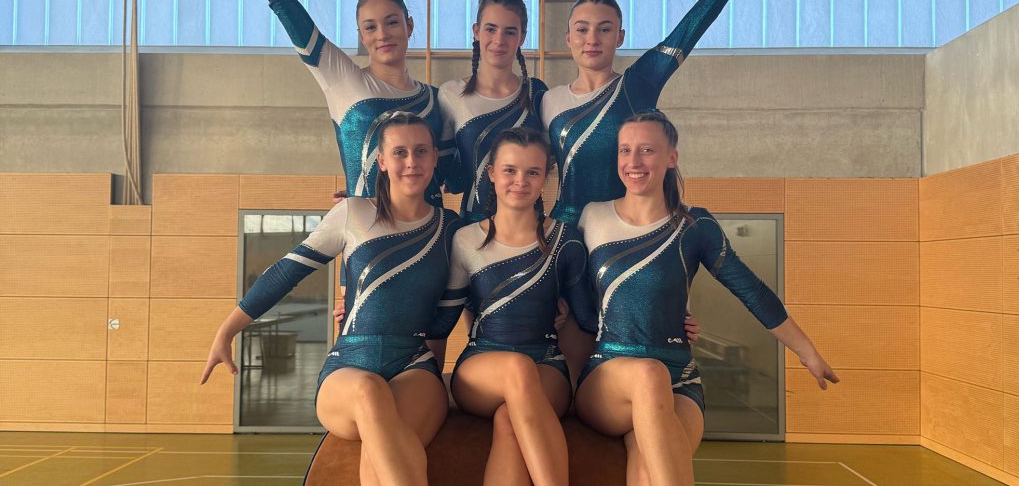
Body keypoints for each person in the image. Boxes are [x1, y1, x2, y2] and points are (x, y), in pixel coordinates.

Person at [570, 110, 839, 486]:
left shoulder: (695, 226)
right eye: (625, 150)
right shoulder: (592, 217)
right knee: (648, 374)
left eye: (647, 150)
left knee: (648, 469)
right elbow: (574, 294)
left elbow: (751, 290)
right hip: (610, 373)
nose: (633, 161)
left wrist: (806, 350)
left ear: (671, 157)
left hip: (680, 378)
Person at [201, 113, 463, 486]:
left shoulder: (450, 228)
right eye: (400, 152)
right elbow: (285, 273)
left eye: (421, 151)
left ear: (435, 157)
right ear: (382, 161)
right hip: (348, 366)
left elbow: (449, 313)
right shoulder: (353, 212)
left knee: (381, 456)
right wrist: (226, 331)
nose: (411, 162)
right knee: (369, 392)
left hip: (414, 366)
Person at [168, 0, 450, 203]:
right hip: (365, 233)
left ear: (409, 25)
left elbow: (450, 178)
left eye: (392, 22)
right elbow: (283, 2)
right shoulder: (343, 79)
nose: (383, 34)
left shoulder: (435, 100)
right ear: (361, 35)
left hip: (430, 232)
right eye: (370, 27)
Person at [542, 0, 800, 225]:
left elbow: (702, 13)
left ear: (620, 37)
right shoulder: (548, 100)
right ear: (568, 38)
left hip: (623, 230)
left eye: (605, 29)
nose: (592, 39)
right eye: (582, 29)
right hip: (563, 232)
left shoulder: (639, 82)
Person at [448, 128, 586, 486]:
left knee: (510, 420)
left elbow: (586, 319)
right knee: (517, 368)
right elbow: (442, 313)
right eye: (510, 170)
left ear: (545, 177)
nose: (520, 181)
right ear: (492, 173)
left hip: (547, 365)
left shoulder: (566, 239)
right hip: (481, 365)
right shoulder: (465, 239)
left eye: (532, 172)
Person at [438, 0, 548, 223]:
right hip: (473, 224)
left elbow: (550, 161)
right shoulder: (451, 94)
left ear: (522, 37)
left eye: (510, 32)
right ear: (476, 31)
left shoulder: (537, 93)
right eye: (491, 29)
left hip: (528, 224)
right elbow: (442, 173)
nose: (499, 40)